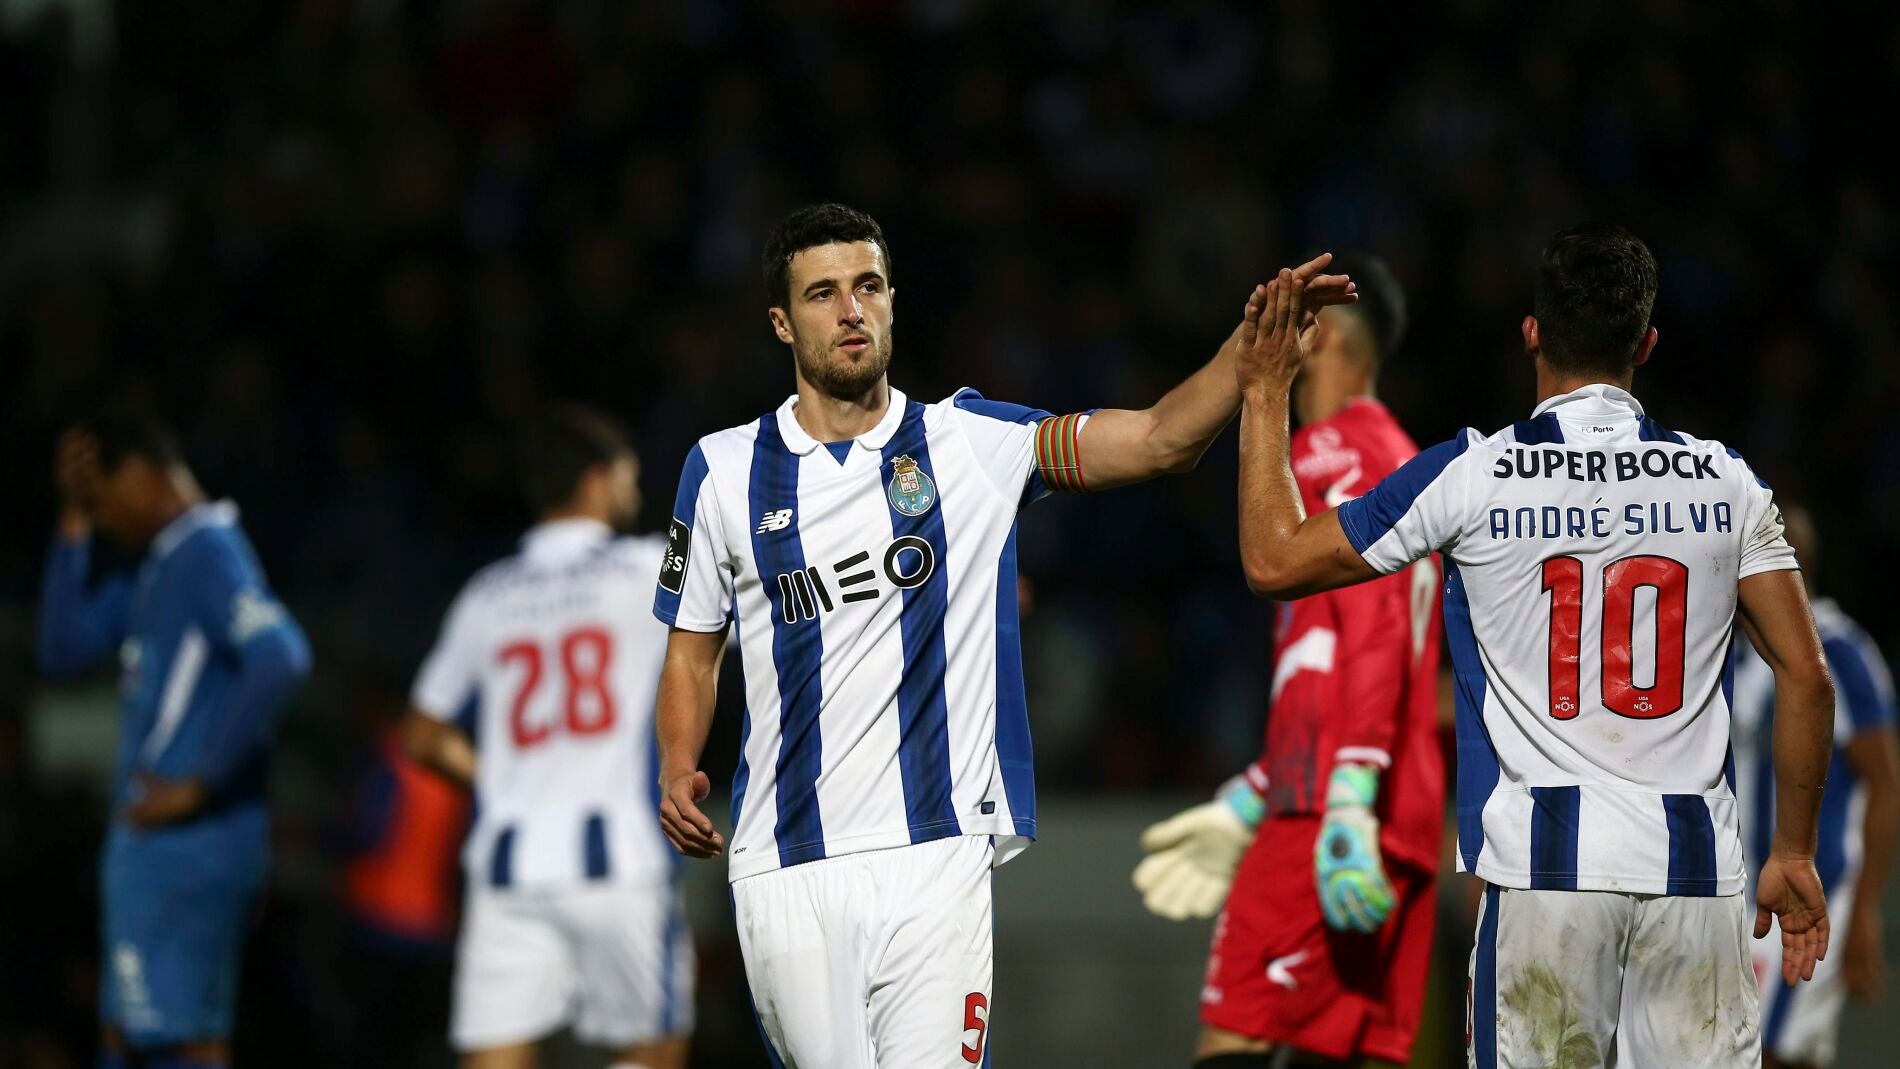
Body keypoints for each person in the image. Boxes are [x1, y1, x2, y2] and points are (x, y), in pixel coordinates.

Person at [651, 202, 1354, 1068]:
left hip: (939, 855)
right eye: (823, 293)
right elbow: (691, 652)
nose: (851, 310)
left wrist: (1246, 358)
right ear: (781, 322)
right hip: (786, 863)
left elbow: (1157, 438)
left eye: (868, 286)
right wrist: (677, 762)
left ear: (893, 300)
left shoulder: (969, 442)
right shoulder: (722, 470)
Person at [1226, 224, 1835, 1068]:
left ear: (1532, 334)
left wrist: (1264, 392)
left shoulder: (1473, 472)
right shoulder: (1724, 479)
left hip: (1544, 876)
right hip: (1696, 877)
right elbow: (1807, 675)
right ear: (1645, 345)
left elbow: (1273, 558)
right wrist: (1794, 851)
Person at [1132, 256, 1446, 1068]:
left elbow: (1371, 625)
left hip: (1332, 818)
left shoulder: (1329, 451)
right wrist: (1253, 794)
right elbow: (1338, 658)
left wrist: (1344, 798)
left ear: (1323, 333)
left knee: (1234, 1038)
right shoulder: (1405, 458)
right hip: (1396, 813)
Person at [404, 405, 694, 1069]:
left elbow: (422, 733)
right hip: (616, 857)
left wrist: (501, 781)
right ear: (596, 479)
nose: (633, 495)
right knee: (653, 1050)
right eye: (626, 479)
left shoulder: (488, 592)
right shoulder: (646, 566)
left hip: (507, 860)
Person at [38, 407, 312, 1069]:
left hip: (183, 849)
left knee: (172, 1045)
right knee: (132, 1042)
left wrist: (199, 784)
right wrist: (73, 522)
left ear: (138, 474)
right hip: (159, 853)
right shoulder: (157, 567)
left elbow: (280, 656)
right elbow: (62, 649)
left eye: (102, 501)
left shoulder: (204, 551)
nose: (103, 520)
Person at [1731, 504, 1898, 1069]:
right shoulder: (1739, 649)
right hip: (1751, 895)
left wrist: (1865, 907)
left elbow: (1885, 782)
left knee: (1760, 1054)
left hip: (1811, 895)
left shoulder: (1839, 649)